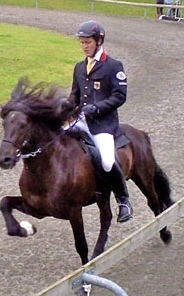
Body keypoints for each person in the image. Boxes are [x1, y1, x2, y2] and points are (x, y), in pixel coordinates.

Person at [66, 21, 133, 223]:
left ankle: (123, 200)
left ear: (99, 41)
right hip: (80, 121)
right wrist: (63, 107)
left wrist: (97, 107)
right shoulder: (79, 67)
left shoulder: (113, 66)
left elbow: (120, 96)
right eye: (82, 42)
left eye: (87, 42)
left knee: (106, 160)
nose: (84, 46)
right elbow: (74, 96)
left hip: (103, 125)